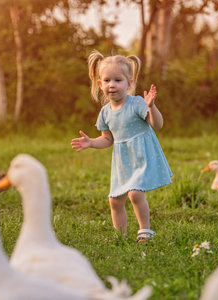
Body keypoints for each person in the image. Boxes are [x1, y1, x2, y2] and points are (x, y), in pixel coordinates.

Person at [71, 50, 173, 243]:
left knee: (135, 193)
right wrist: (92, 142)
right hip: (122, 161)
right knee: (115, 200)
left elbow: (157, 125)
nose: (112, 85)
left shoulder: (136, 104)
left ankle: (145, 231)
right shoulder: (105, 112)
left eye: (118, 80)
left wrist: (151, 106)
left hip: (142, 156)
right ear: (100, 84)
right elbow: (108, 139)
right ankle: (120, 238)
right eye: (107, 80)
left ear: (129, 83)